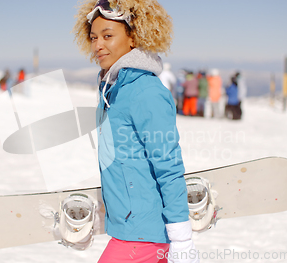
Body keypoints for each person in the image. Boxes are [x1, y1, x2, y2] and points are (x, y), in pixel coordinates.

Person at [73, 0, 198, 262]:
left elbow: (168, 165)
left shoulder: (145, 91)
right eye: (94, 37)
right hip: (128, 230)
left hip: (144, 235)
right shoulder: (114, 89)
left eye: (108, 36)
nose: (98, 45)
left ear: (133, 37)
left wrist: (181, 237)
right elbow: (123, 165)